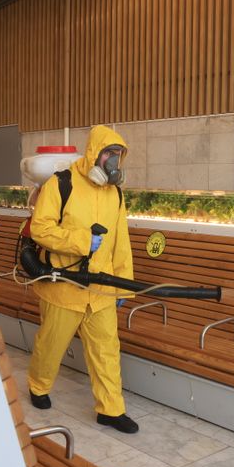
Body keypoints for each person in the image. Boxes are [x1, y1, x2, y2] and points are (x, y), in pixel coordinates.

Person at [26, 125, 139, 434]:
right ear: (93, 153)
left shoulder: (115, 193)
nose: (113, 161)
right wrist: (81, 241)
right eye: (108, 153)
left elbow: (121, 243)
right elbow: (40, 229)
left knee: (106, 351)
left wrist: (121, 286)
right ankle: (38, 386)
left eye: (118, 155)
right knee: (51, 345)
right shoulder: (61, 184)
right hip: (65, 286)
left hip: (101, 288)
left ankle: (111, 410)